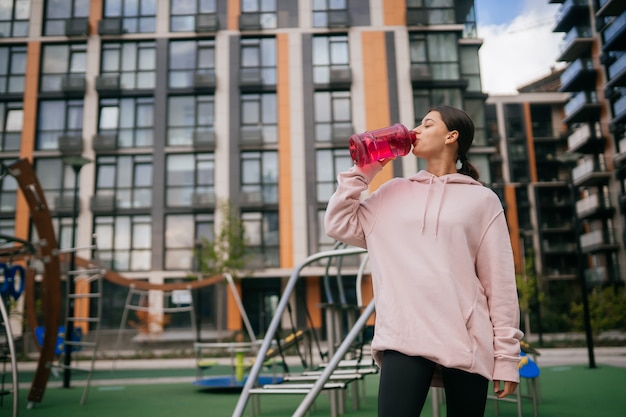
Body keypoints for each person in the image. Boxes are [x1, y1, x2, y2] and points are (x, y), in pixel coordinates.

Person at [324, 106, 523, 417]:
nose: (415, 130)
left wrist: (507, 358)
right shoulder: (392, 192)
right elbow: (338, 224)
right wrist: (365, 171)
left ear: (451, 136)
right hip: (405, 335)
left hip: (467, 339)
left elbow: (499, 284)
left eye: (427, 124)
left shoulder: (482, 200)